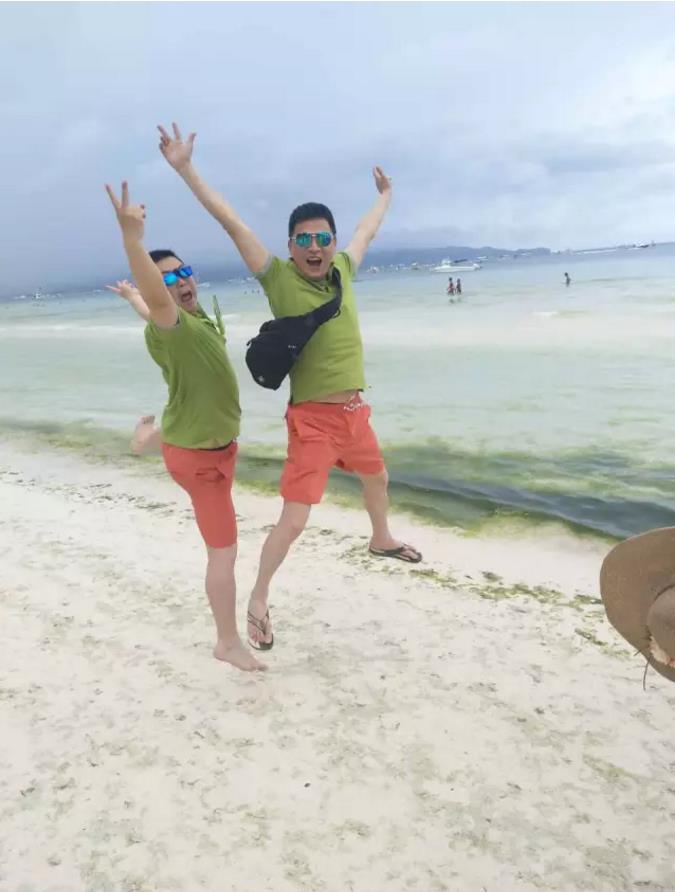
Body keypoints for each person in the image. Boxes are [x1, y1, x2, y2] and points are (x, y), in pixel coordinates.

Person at [156, 121, 422, 651]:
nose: (316, 247)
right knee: (296, 519)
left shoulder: (343, 269)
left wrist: (386, 196)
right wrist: (186, 169)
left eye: (323, 238)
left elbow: (366, 232)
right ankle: (258, 598)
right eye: (304, 240)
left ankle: (380, 538)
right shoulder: (279, 278)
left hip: (355, 412)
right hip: (315, 422)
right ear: (290, 247)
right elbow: (231, 223)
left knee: (377, 478)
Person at [104, 181, 266, 672]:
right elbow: (157, 304)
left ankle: (146, 438)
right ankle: (227, 642)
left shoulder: (197, 318)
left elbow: (149, 303)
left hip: (198, 443)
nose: (181, 281)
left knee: (174, 431)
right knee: (224, 554)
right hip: (202, 463)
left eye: (184, 271)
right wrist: (132, 240)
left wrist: (132, 295)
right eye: (168, 279)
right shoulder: (172, 325)